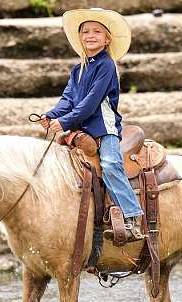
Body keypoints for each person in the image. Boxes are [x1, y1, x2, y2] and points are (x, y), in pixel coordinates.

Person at [41, 8, 145, 242]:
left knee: (109, 164)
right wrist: (50, 115)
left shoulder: (106, 65)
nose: (90, 35)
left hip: (103, 129)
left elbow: (91, 103)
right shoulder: (78, 70)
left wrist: (65, 121)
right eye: (85, 31)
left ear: (107, 39)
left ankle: (132, 216)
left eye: (97, 31)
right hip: (81, 129)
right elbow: (68, 99)